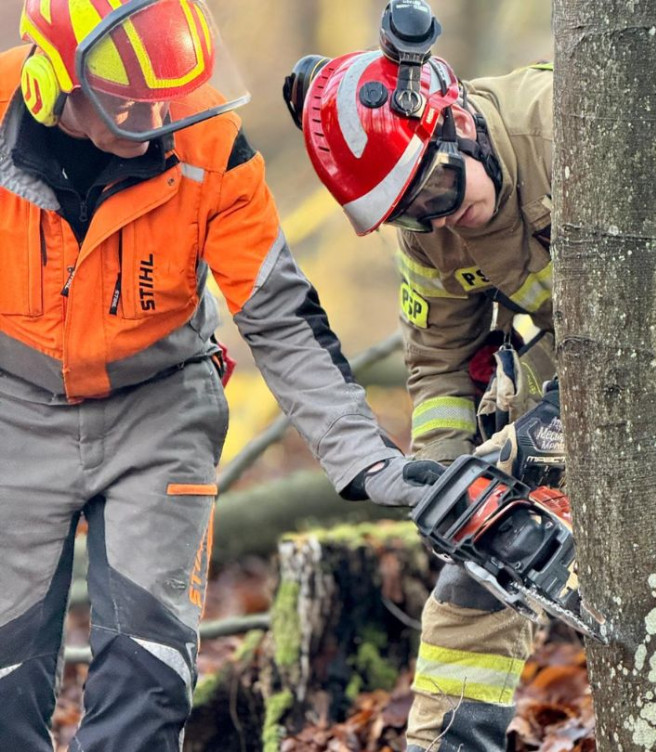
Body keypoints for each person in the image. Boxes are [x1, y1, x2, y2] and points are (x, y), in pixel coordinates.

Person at [0, 1, 437, 749]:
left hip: (158, 411)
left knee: (147, 673)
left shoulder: (210, 142)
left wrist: (367, 460)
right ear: (52, 83)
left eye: (169, 101)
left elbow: (280, 317)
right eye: (134, 108)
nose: (159, 122)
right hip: (13, 404)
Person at [286, 3, 556, 746]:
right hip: (548, 399)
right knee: (472, 583)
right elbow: (438, 361)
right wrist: (442, 474)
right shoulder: (430, 238)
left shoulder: (561, 129)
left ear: (456, 119)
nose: (434, 224)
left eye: (433, 194)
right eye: (409, 215)